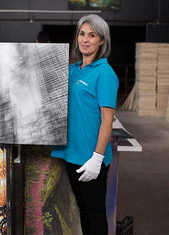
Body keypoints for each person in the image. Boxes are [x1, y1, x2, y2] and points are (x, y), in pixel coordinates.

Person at [51, 14, 119, 234]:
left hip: (91, 157)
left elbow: (107, 120)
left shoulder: (105, 74)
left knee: (96, 214)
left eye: (92, 35)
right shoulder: (72, 70)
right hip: (72, 154)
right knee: (83, 209)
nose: (85, 39)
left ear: (102, 41)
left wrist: (97, 159)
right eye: (82, 34)